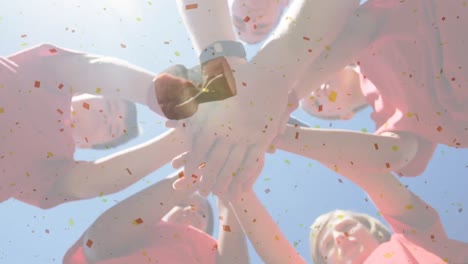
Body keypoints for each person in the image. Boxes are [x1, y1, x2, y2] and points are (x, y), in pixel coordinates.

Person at [0, 44, 205, 208]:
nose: (108, 119)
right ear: (85, 92)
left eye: (112, 130)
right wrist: (176, 99)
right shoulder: (47, 81)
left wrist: (188, 136)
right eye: (109, 105)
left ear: (91, 146)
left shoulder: (53, 165)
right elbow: (90, 69)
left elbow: (95, 180)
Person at [62, 170, 249, 264]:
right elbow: (99, 241)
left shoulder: (213, 248)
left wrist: (229, 203)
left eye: (202, 214)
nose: (192, 210)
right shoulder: (146, 227)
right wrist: (191, 176)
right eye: (182, 204)